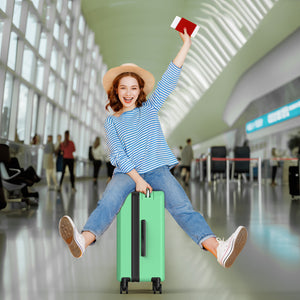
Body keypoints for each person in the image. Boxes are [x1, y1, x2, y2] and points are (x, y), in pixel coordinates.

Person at [59, 29, 247, 268]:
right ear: (116, 90)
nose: (128, 93)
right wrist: (137, 179)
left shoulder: (149, 109)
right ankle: (82, 241)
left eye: (133, 88)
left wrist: (186, 44)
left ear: (140, 91)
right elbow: (118, 155)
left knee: (183, 208)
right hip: (127, 173)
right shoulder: (111, 121)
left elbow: (169, 79)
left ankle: (218, 250)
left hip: (157, 169)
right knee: (108, 203)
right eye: (123, 88)